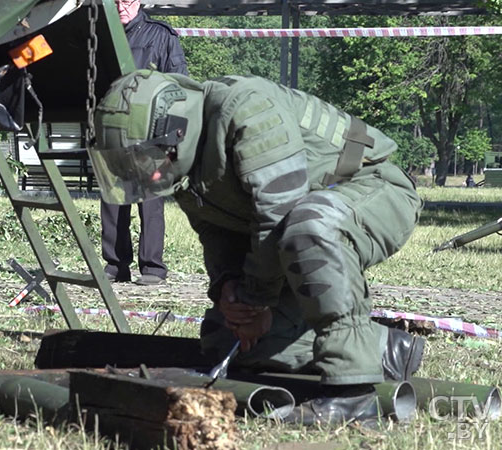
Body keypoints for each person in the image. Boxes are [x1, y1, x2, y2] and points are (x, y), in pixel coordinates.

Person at [89, 69, 425, 425]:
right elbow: (216, 234)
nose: (146, 175)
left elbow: (279, 212)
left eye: (144, 160)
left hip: (371, 188)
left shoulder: (247, 108)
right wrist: (230, 288)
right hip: (295, 227)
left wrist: (258, 299)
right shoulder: (184, 170)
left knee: (311, 223)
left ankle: (354, 396)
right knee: (227, 341)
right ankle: (381, 348)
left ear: (176, 132)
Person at [101, 0, 188, 285]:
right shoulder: (103, 33)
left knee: (150, 202)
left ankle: (152, 268)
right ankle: (115, 265)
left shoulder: (161, 36)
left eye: (126, 0)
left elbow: (179, 84)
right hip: (114, 131)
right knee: (114, 201)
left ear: (139, 1)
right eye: (115, 2)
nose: (121, 7)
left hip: (152, 132)